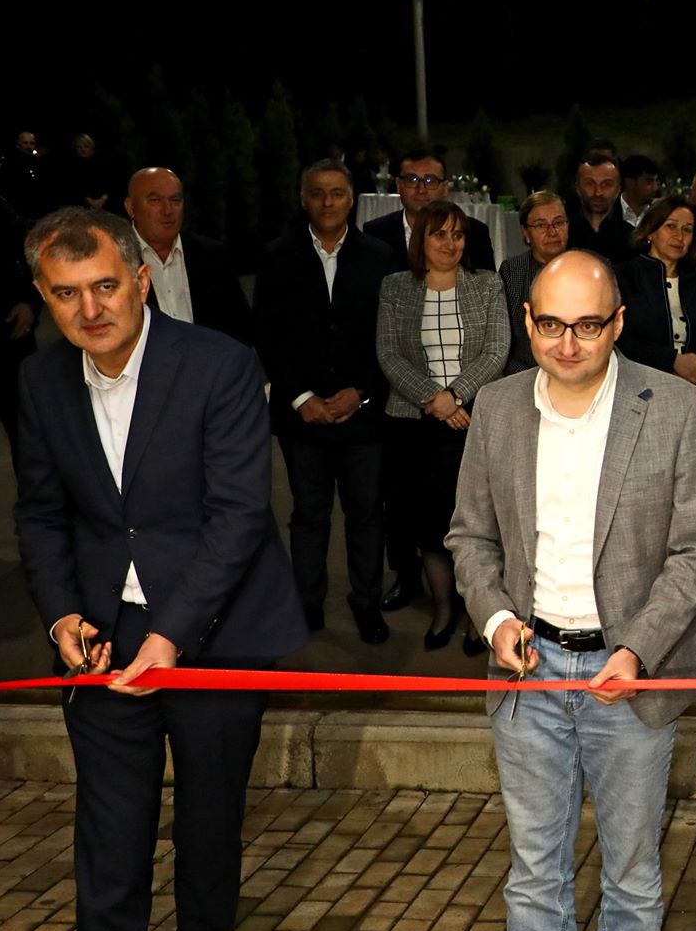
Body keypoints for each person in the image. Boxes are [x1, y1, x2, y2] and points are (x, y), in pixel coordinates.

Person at [12, 208, 307, 931]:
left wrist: (172, 635)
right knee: (112, 843)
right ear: (44, 297)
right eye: (67, 293)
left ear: (140, 278)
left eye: (105, 285)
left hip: (213, 632)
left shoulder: (219, 363)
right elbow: (40, 513)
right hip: (102, 640)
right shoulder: (40, 380)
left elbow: (239, 515)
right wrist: (62, 613)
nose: (90, 309)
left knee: (211, 822)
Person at [448, 249, 696, 931]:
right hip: (527, 674)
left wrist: (637, 648)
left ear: (619, 323)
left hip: (627, 673)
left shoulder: (677, 407)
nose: (569, 342)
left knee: (633, 868)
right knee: (535, 869)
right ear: (528, 321)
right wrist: (497, 620)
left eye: (589, 324)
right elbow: (470, 537)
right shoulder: (497, 407)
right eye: (552, 324)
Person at [254, 159, 397, 643]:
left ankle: (367, 603)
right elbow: (267, 335)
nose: (327, 202)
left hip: (364, 414)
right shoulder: (277, 256)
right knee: (309, 516)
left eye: (337, 193)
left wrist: (362, 391)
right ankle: (307, 604)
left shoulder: (380, 256)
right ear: (303, 199)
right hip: (303, 417)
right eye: (317, 193)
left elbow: (389, 336)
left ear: (352, 199)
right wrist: (300, 397)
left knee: (366, 515)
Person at [376, 200, 511, 652]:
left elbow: (496, 351)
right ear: (422, 239)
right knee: (428, 525)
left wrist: (454, 396)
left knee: (479, 524)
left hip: (473, 420)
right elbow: (389, 353)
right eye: (439, 234)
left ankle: (478, 614)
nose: (450, 244)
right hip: (414, 426)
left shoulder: (487, 284)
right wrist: (434, 400)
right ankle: (443, 609)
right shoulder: (395, 287)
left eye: (457, 234)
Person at [121, 167, 253, 343]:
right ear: (130, 207)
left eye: (175, 200)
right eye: (155, 200)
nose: (167, 210)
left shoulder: (213, 256)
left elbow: (241, 329)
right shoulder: (115, 261)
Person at [615, 195, 696, 384]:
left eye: (687, 230)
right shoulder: (623, 277)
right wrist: (672, 361)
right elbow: (619, 338)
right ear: (650, 231)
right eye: (671, 226)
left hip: (694, 385)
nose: (679, 237)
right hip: (638, 383)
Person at [364, 147, 497, 273]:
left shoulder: (474, 232)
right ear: (398, 185)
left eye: (430, 181)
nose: (421, 189)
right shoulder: (376, 233)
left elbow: (487, 285)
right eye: (412, 180)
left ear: (445, 188)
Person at [502, 191, 572, 374]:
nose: (552, 232)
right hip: (523, 374)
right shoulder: (512, 271)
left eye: (558, 223)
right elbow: (505, 342)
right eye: (541, 225)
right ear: (525, 233)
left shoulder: (588, 267)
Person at [567, 149, 633, 261]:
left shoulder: (631, 238)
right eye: (590, 184)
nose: (598, 192)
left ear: (618, 190)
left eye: (606, 185)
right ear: (578, 188)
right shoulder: (563, 234)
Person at [619, 153, 662, 228]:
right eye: (649, 182)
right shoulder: (608, 213)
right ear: (630, 183)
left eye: (656, 181)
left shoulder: (659, 215)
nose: (655, 187)